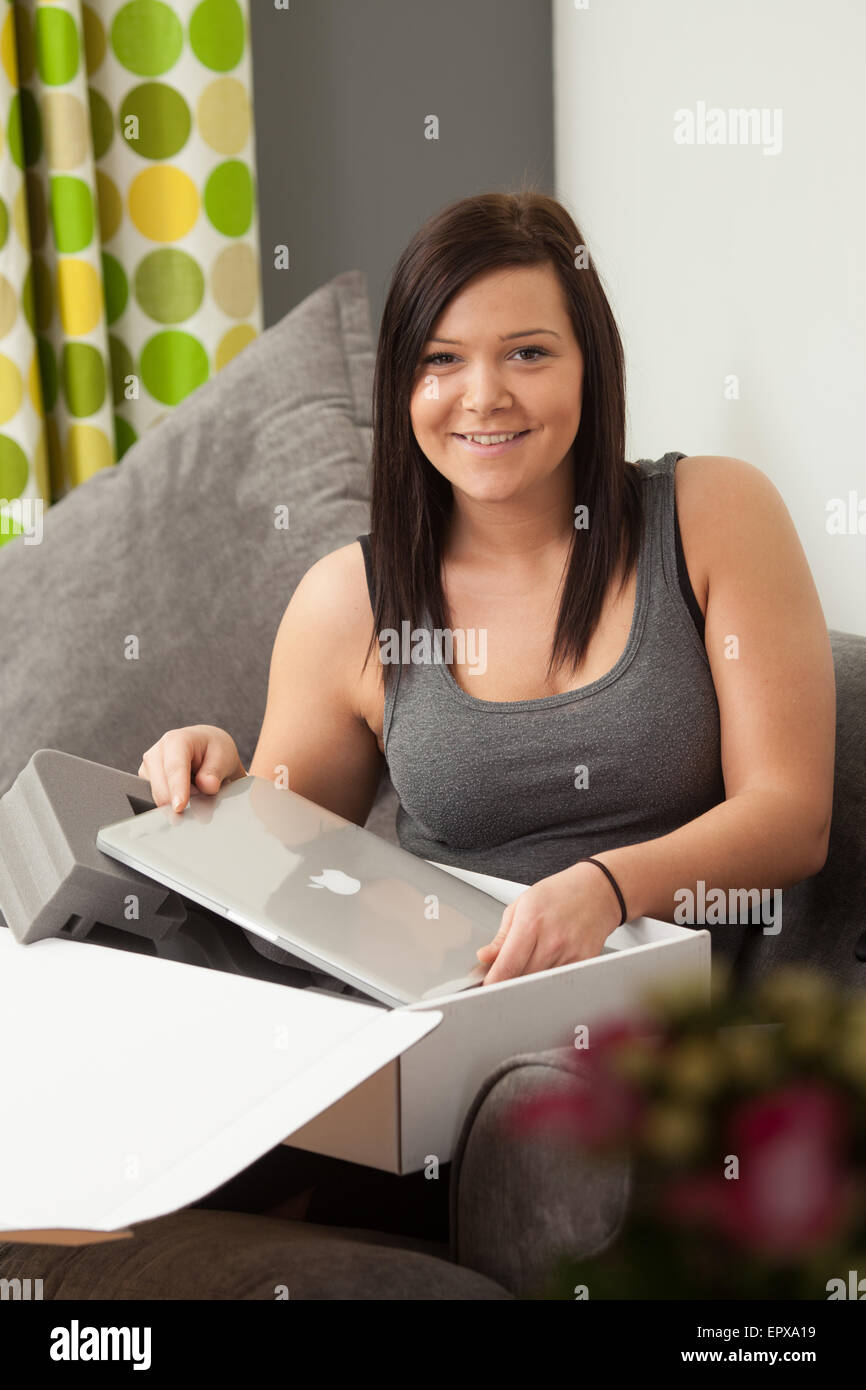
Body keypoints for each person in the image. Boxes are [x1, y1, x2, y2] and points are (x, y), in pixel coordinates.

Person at [138, 191, 836, 1240]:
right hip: (428, 1038)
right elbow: (284, 862)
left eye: (525, 353)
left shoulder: (712, 515)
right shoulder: (350, 600)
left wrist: (603, 887)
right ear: (401, 384)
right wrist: (217, 768)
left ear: (588, 364)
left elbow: (790, 813)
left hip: (658, 1047)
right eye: (439, 360)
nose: (482, 396)